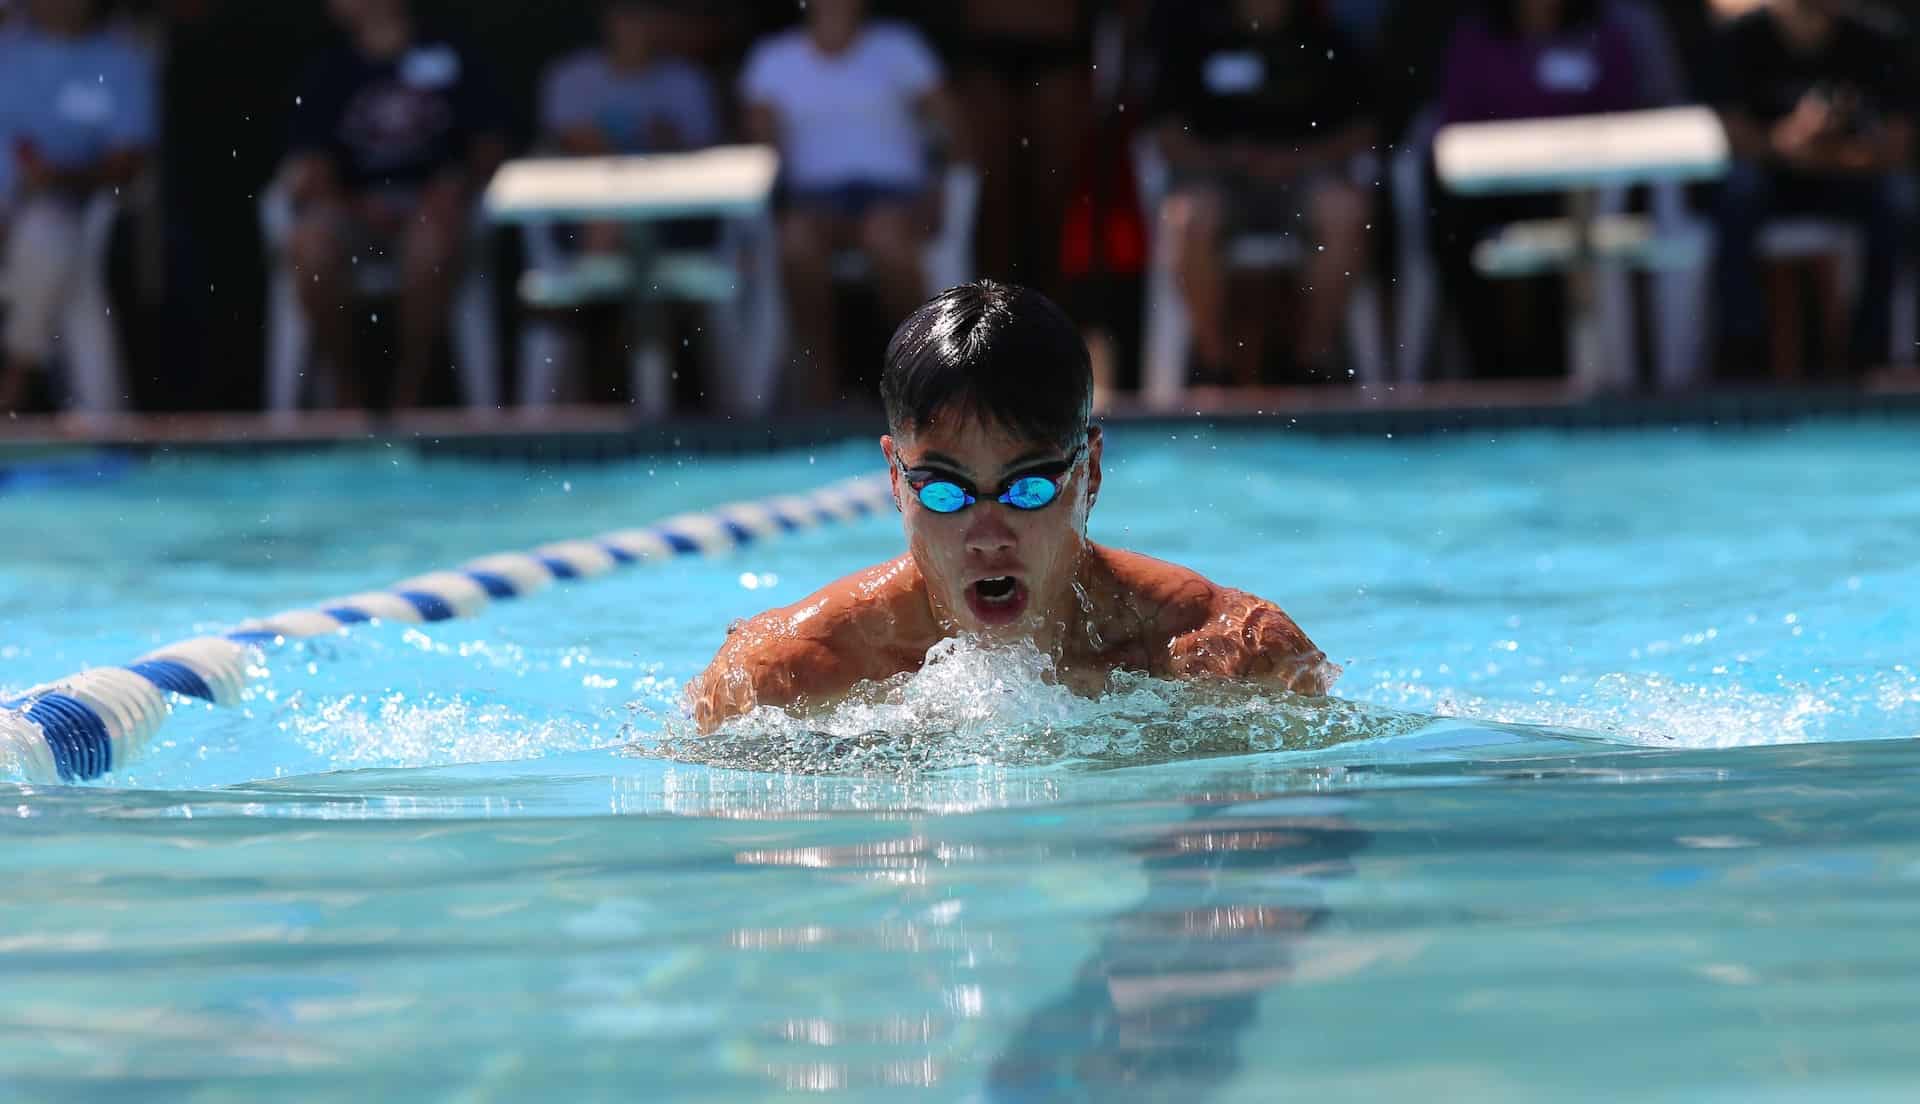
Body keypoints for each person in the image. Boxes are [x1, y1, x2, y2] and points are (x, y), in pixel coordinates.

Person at [690, 280, 1334, 733]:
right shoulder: (782, 676)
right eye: (945, 491)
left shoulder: (1232, 652)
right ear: (894, 477)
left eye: (1029, 487)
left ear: (1091, 472)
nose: (988, 533)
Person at [281, 0, 509, 410]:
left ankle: (409, 391)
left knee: (430, 243)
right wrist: (354, 205)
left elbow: (489, 147)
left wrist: (455, 184)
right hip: (353, 210)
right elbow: (309, 167)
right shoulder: (327, 69)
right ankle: (346, 389)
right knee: (308, 246)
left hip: (432, 211)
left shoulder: (451, 56)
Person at [738, 0, 966, 407]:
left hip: (893, 194)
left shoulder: (900, 48)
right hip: (814, 199)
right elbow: (759, 151)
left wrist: (940, 189)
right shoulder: (773, 60)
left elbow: (949, 131)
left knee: (887, 241)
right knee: (795, 245)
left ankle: (916, 382)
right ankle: (819, 390)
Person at [1152, 0, 1377, 385]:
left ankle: (1310, 365)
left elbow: (1363, 131)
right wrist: (1227, 158)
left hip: (1304, 178)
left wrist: (1295, 158)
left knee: (1345, 212)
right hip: (1218, 181)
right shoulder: (1195, 37)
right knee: (1186, 218)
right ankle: (1214, 368)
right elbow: (1164, 136)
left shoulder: (1324, 39)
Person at [1431, 0, 1656, 379]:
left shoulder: (1600, 33)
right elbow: (1456, 119)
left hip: (1581, 183)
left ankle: (1555, 370)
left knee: (1566, 223)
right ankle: (1490, 369)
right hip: (1494, 184)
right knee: (1452, 220)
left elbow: (1623, 112)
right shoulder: (1477, 34)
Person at [1708, 0, 1913, 376]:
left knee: (1898, 198)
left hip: (1844, 175)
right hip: (1773, 180)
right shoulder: (1740, 38)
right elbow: (1734, 138)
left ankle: (1871, 354)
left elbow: (1897, 147)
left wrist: (1825, 153)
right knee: (1738, 192)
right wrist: (1791, 140)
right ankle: (1743, 353)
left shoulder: (1876, 38)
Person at [0, 0, 154, 415]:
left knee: (47, 236)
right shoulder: (8, 51)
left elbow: (130, 161)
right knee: (53, 258)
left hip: (71, 215)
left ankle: (15, 374)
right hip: (10, 215)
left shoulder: (121, 59)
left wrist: (58, 179)